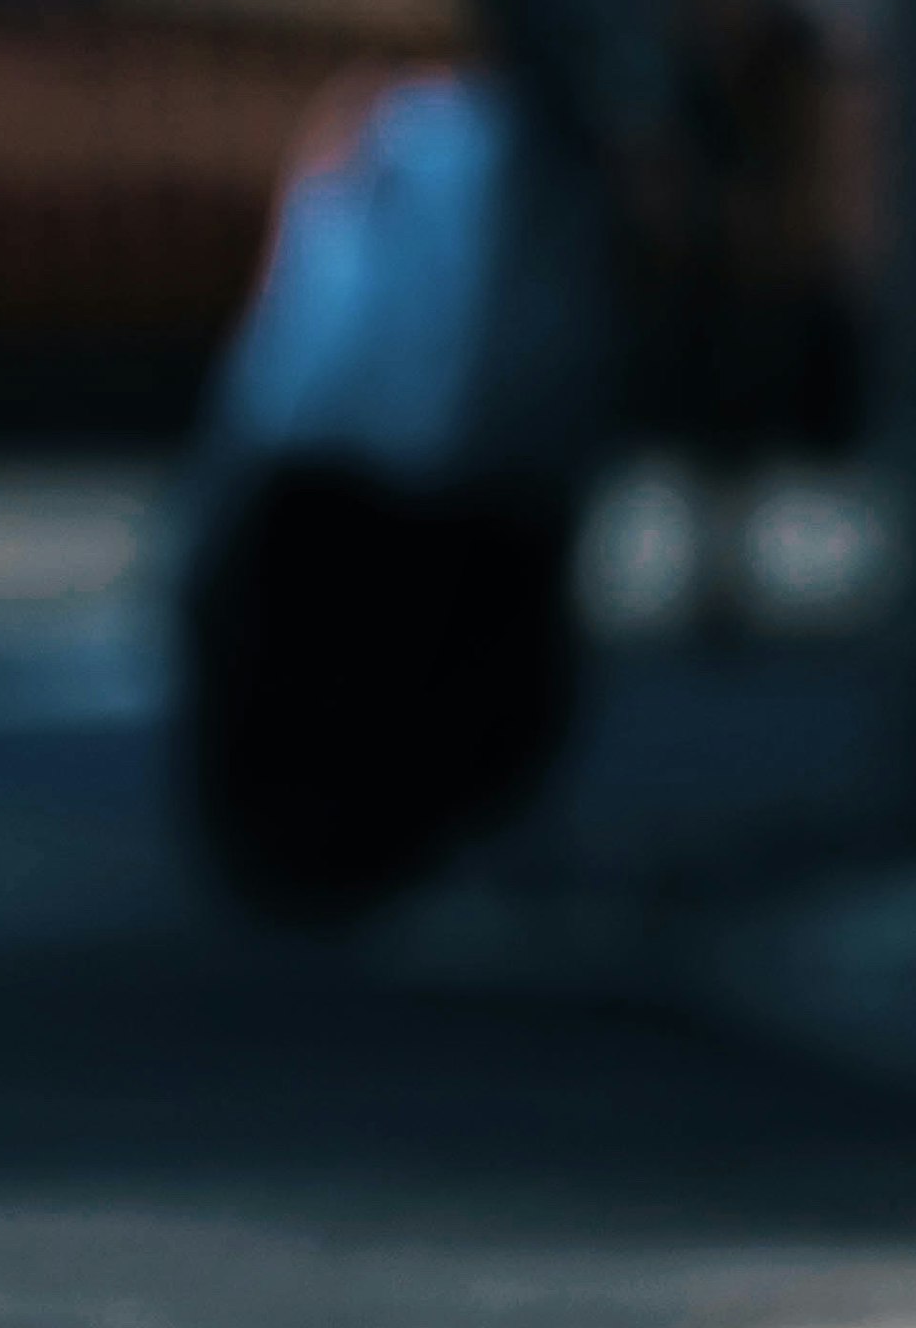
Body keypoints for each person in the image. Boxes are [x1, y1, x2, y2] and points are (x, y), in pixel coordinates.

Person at [178, 57, 613, 922]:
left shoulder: (417, 140)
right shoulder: (447, 141)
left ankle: (354, 831)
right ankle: (375, 828)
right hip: (397, 463)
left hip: (359, 459)